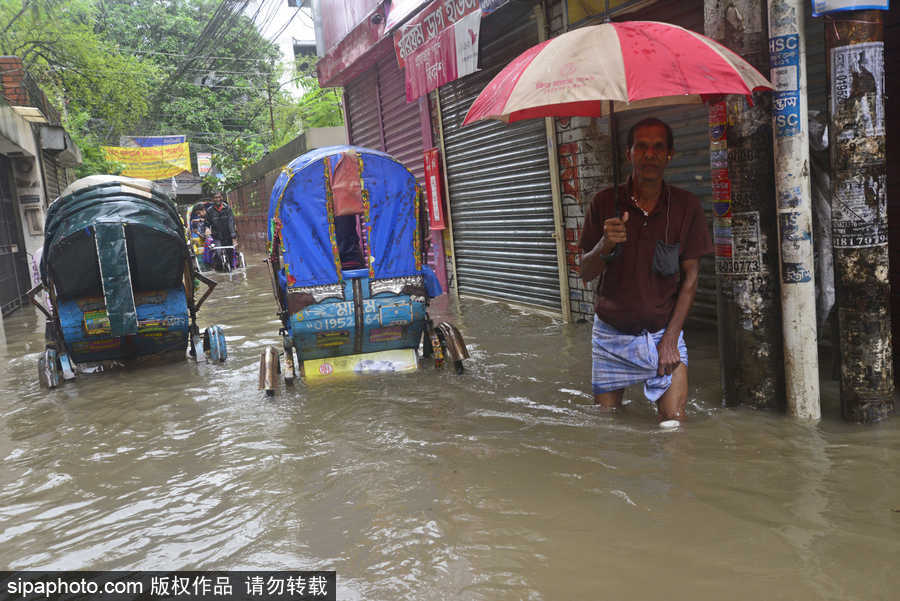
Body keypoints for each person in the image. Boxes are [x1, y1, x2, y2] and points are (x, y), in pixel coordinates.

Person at [579, 118, 713, 423]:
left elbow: (691, 278)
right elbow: (585, 273)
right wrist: (604, 245)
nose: (649, 154)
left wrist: (670, 338)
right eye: (641, 146)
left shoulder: (686, 206)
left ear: (669, 155)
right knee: (608, 427)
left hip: (662, 333)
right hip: (610, 335)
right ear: (629, 154)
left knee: (674, 425)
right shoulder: (604, 203)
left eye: (657, 147)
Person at [205, 192, 238, 270]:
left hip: (228, 236)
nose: (218, 199)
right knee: (218, 253)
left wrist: (233, 237)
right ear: (213, 199)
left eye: (219, 197)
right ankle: (219, 267)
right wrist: (207, 229)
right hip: (217, 236)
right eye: (215, 198)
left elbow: (231, 222)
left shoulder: (228, 209)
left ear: (222, 198)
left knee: (230, 254)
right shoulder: (209, 211)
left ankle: (232, 268)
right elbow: (207, 223)